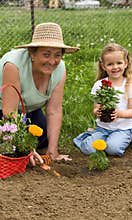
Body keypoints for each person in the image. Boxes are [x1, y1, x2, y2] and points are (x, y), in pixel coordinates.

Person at [0, 22, 79, 163]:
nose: (52, 61)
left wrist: (52, 151)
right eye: (46, 55)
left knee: (43, 136)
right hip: (5, 112)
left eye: (57, 55)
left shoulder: (60, 68)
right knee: (10, 148)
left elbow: (54, 109)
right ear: (32, 54)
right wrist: (27, 149)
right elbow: (9, 112)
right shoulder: (13, 66)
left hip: (27, 112)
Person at [73, 43, 132, 156]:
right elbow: (96, 107)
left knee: (113, 149)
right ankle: (87, 137)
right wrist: (97, 112)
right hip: (103, 127)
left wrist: (119, 113)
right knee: (89, 150)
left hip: (123, 128)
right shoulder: (100, 85)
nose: (115, 67)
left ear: (126, 63)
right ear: (103, 66)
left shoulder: (129, 84)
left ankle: (114, 140)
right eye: (110, 64)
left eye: (119, 63)